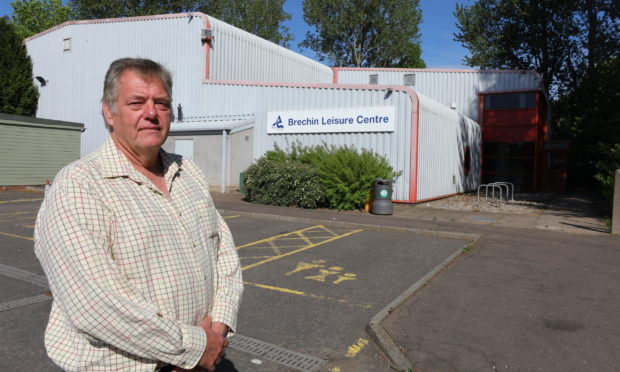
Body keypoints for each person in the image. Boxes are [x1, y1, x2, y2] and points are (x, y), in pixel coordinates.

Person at [34, 58, 243, 372]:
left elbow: (225, 256)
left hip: (203, 359)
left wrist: (218, 329)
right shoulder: (79, 186)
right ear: (109, 111)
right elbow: (95, 304)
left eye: (161, 103)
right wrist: (192, 347)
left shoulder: (189, 173)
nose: (151, 113)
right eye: (136, 102)